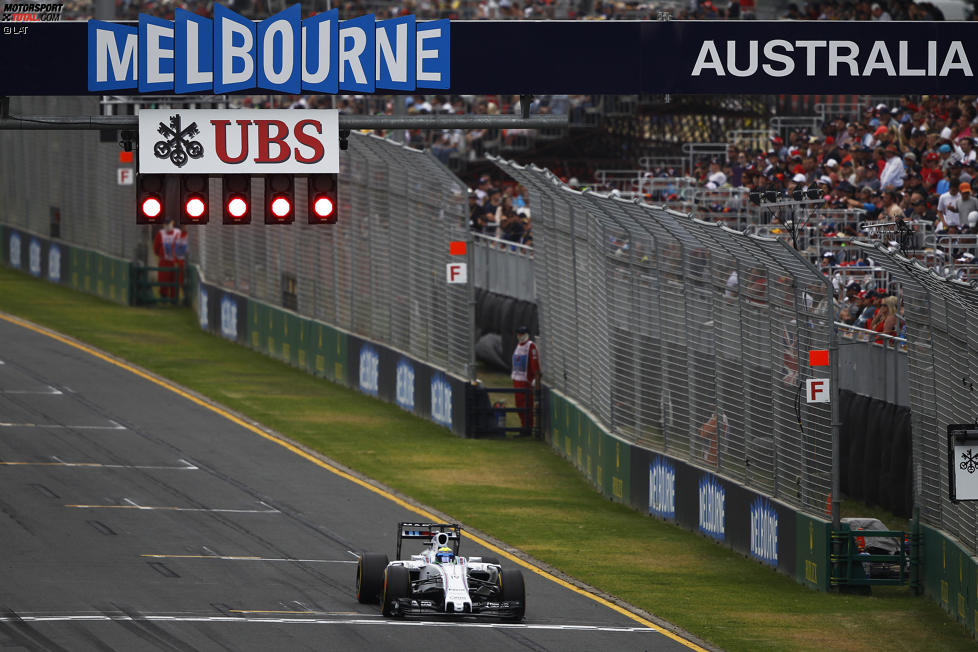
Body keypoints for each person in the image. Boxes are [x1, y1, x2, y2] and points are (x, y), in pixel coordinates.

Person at [511, 325, 541, 434]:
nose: (519, 336)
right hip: (517, 380)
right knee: (519, 404)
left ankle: (527, 427)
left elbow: (534, 363)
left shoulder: (530, 346)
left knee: (526, 404)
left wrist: (534, 377)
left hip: (525, 381)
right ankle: (524, 425)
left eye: (522, 333)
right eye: (518, 333)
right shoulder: (518, 346)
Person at [152, 219, 182, 300]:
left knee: (175, 279)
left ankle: (174, 298)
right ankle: (163, 296)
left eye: (169, 224)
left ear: (172, 223)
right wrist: (161, 255)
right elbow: (156, 248)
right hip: (164, 260)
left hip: (175, 261)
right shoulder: (161, 233)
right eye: (165, 224)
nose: (167, 226)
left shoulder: (177, 232)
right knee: (163, 279)